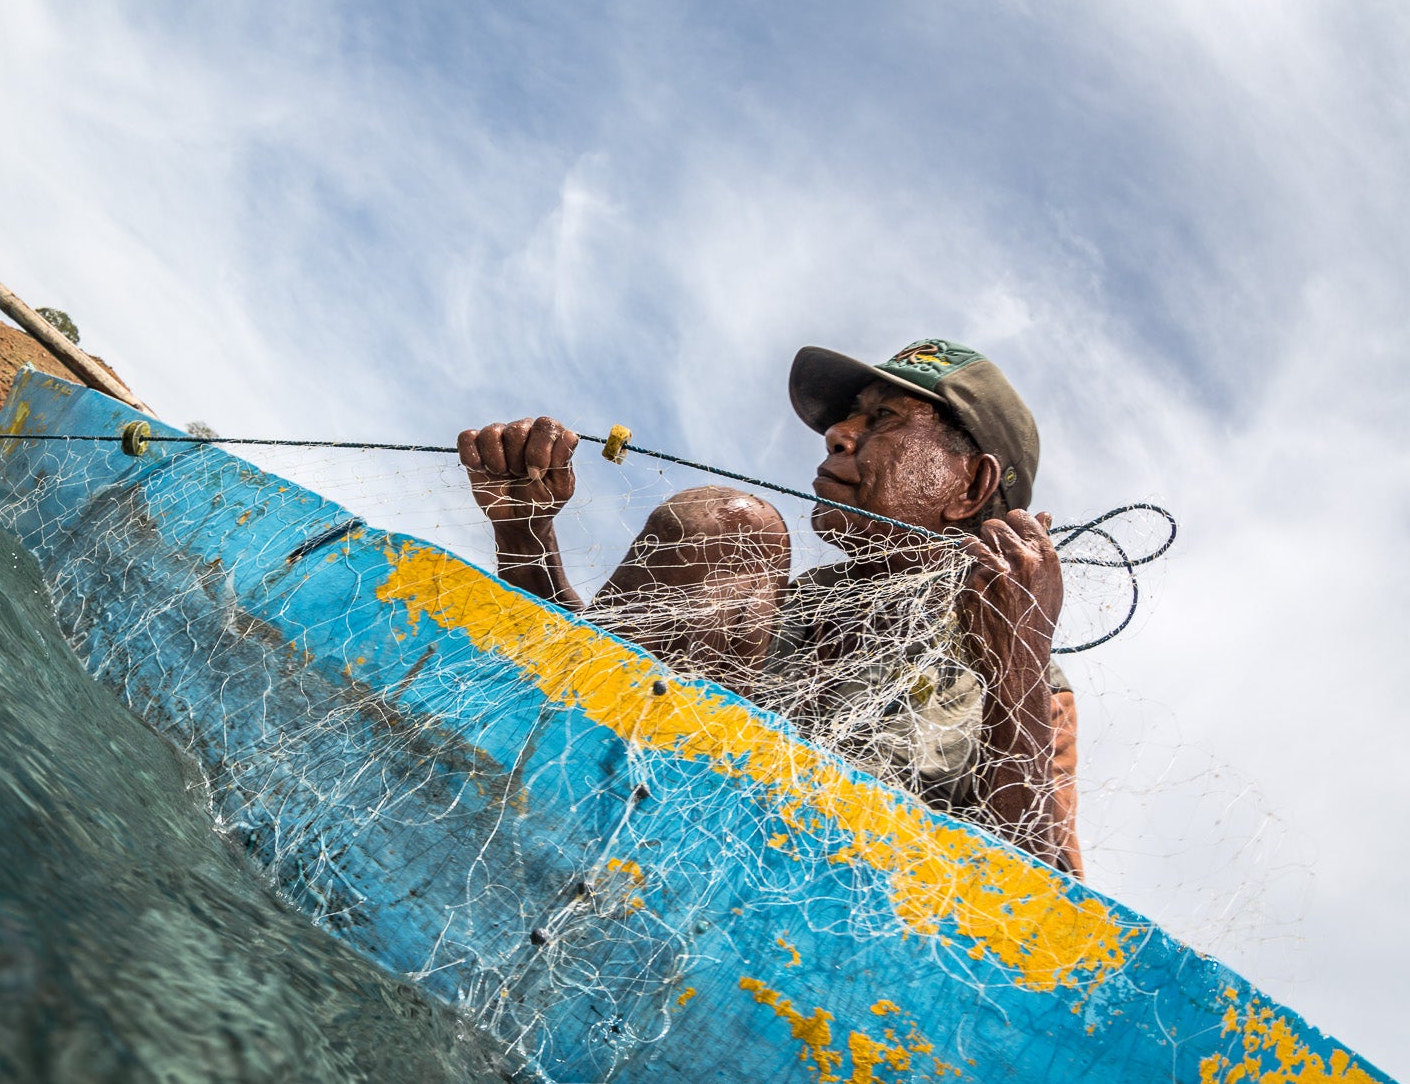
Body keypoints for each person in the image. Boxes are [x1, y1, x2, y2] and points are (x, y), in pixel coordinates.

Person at [456, 340, 1082, 877]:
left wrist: (1017, 657)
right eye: (849, 419)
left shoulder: (1034, 684)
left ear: (971, 486)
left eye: (884, 419)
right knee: (723, 528)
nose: (839, 433)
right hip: (602, 827)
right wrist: (524, 536)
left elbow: (1040, 892)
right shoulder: (762, 603)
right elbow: (592, 681)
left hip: (821, 930)